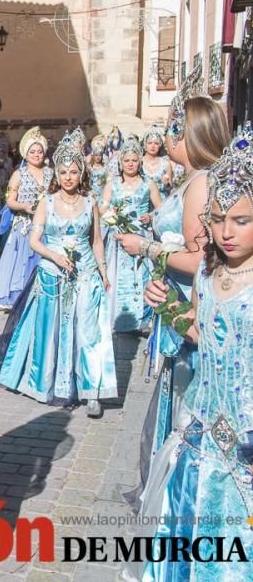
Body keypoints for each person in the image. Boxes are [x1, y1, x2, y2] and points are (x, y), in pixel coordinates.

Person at [123, 125, 253, 582]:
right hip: (201, 429)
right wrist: (168, 305)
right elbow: (201, 331)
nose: (226, 232)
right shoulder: (209, 276)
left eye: (240, 220)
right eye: (217, 220)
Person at [114, 67, 231, 501]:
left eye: (171, 130)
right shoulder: (195, 180)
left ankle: (173, 498)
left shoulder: (200, 183)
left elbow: (200, 257)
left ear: (189, 135)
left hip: (187, 306)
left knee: (183, 399)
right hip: (174, 302)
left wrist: (145, 248)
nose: (165, 138)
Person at [0, 133, 117, 418]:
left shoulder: (90, 203)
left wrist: (102, 270)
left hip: (86, 273)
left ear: (81, 173)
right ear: (57, 174)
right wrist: (55, 257)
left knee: (89, 332)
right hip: (52, 274)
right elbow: (34, 242)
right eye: (63, 172)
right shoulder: (46, 203)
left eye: (74, 172)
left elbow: (96, 240)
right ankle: (50, 382)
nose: (68, 177)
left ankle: (91, 391)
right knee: (52, 332)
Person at [99, 137, 161, 333]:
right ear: (120, 163)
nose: (131, 164)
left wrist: (150, 215)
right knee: (117, 276)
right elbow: (102, 208)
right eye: (127, 160)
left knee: (141, 274)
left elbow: (161, 209)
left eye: (134, 160)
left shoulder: (148, 183)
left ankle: (142, 319)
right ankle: (117, 317)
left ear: (140, 162)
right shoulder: (112, 184)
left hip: (141, 236)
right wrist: (111, 215)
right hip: (118, 237)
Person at [0, 127, 54, 312]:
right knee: (23, 262)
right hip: (24, 226)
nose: (36, 154)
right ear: (25, 153)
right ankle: (19, 296)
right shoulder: (18, 174)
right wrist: (25, 207)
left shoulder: (51, 173)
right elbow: (9, 200)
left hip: (45, 226)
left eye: (39, 151)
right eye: (32, 151)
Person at [140, 123, 174, 199]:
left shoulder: (166, 164)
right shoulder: (139, 162)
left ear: (160, 145)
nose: (153, 146)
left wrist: (166, 184)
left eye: (156, 143)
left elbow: (170, 188)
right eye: (150, 143)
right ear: (145, 145)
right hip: (143, 203)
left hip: (162, 202)